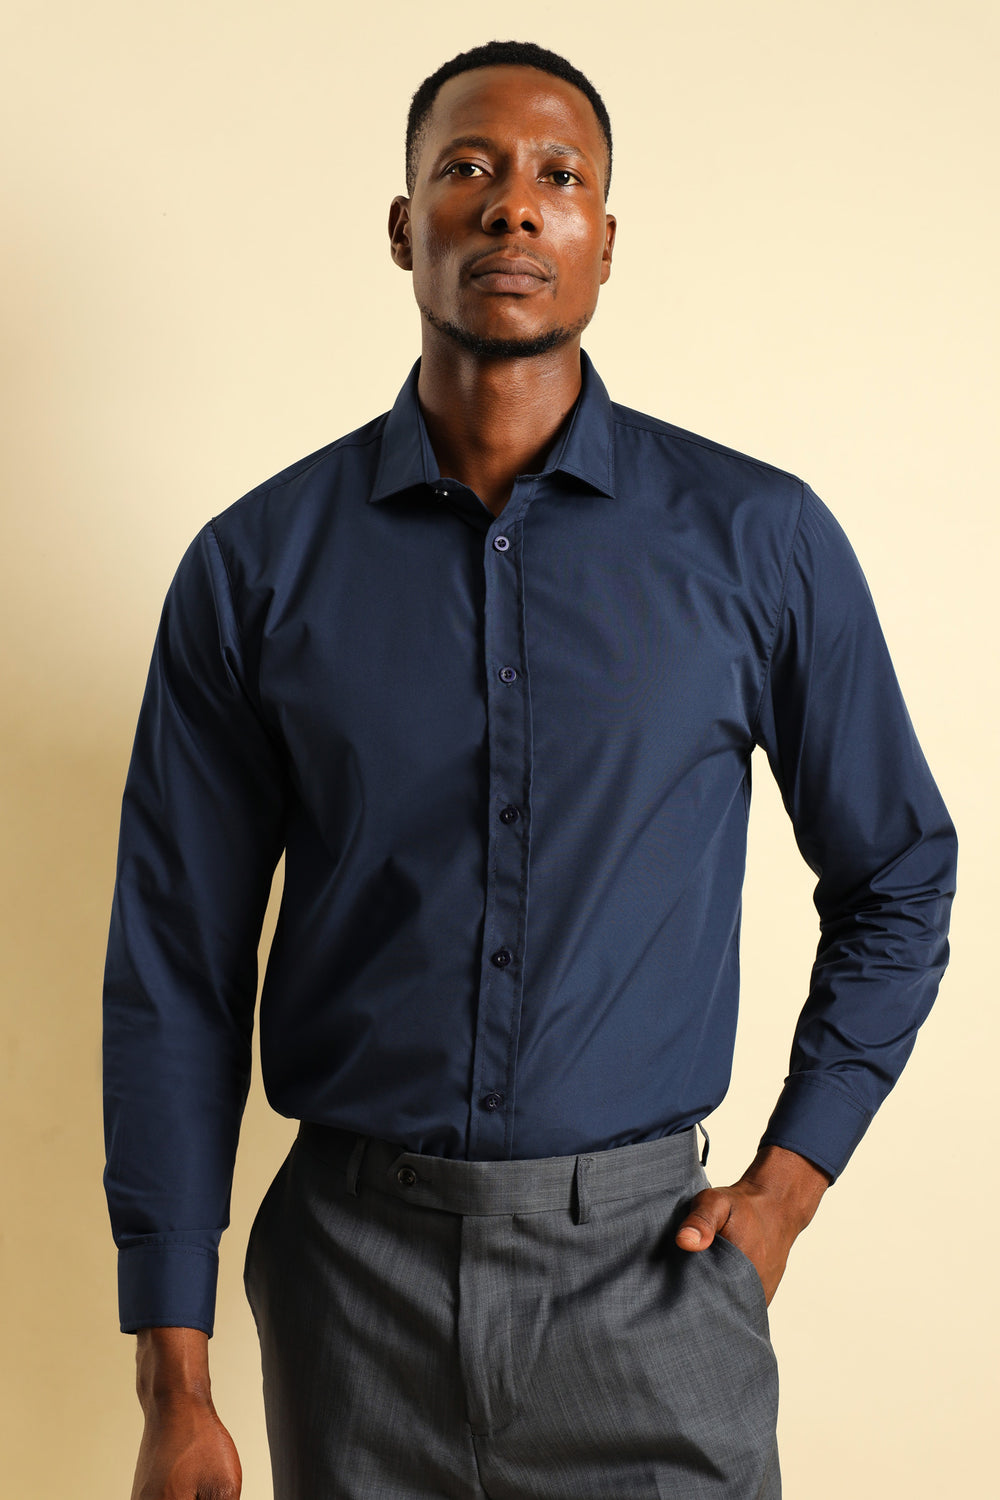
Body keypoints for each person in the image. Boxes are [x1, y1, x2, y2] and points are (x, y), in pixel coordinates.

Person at [103, 39, 957, 1500]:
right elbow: (177, 967)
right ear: (404, 227)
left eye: (559, 177)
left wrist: (786, 1190)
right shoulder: (254, 569)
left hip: (652, 1285)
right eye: (469, 170)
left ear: (605, 242)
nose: (513, 205)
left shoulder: (759, 543)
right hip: (350, 1299)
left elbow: (899, 875)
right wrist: (171, 1382)